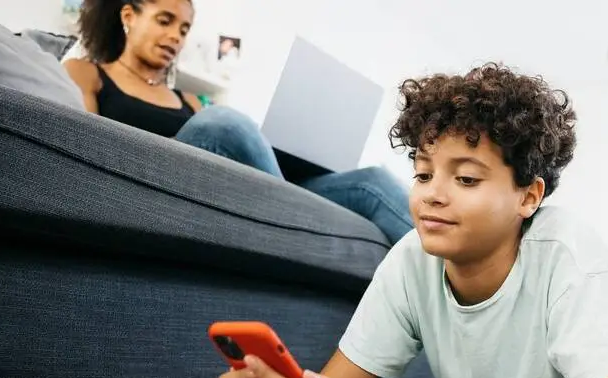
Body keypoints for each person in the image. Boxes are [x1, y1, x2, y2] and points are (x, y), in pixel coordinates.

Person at [203, 63, 608, 378]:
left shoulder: (568, 248)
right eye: (423, 175)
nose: (432, 196)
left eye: (466, 179)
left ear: (529, 196)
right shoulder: (410, 262)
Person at [63, 0, 412, 244]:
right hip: (147, 178)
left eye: (184, 29)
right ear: (129, 16)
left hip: (237, 188)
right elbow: (88, 148)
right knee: (224, 123)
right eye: (165, 20)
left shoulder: (189, 100)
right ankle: (297, 226)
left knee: (372, 182)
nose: (176, 37)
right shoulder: (87, 72)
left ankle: (461, 283)